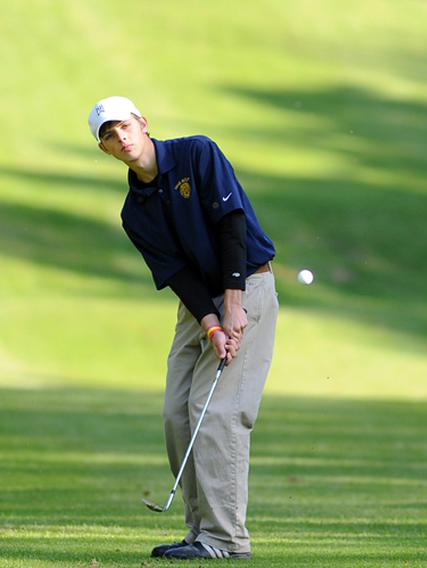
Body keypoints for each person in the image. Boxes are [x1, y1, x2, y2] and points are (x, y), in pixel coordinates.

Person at [89, 96, 278, 560]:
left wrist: (233, 306)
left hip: (247, 285)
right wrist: (211, 323)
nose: (121, 138)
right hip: (197, 307)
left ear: (143, 123)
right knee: (178, 414)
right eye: (109, 136)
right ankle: (199, 531)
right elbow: (176, 274)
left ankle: (225, 538)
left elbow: (232, 226)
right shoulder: (134, 214)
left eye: (124, 127)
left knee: (216, 413)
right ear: (106, 151)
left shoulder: (198, 153)